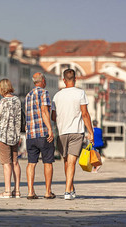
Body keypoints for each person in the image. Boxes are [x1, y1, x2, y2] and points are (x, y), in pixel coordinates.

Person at [51, 69, 94, 200]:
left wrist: (62, 119)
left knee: (67, 161)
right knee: (71, 162)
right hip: (76, 131)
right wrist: (90, 132)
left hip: (62, 132)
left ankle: (69, 188)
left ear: (63, 80)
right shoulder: (80, 93)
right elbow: (85, 114)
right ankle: (68, 190)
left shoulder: (57, 96)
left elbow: (53, 116)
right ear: (75, 79)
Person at [0, 79, 22, 199]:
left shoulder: (3, 102)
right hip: (15, 135)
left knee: (6, 163)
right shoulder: (17, 100)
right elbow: (13, 114)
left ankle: (7, 191)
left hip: (3, 136)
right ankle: (17, 190)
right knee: (15, 162)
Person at [25, 72, 55, 200]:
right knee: (47, 162)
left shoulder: (28, 95)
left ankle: (31, 191)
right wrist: (50, 129)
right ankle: (48, 192)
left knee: (31, 163)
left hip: (30, 134)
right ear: (42, 80)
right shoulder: (44, 93)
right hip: (43, 133)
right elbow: (44, 111)